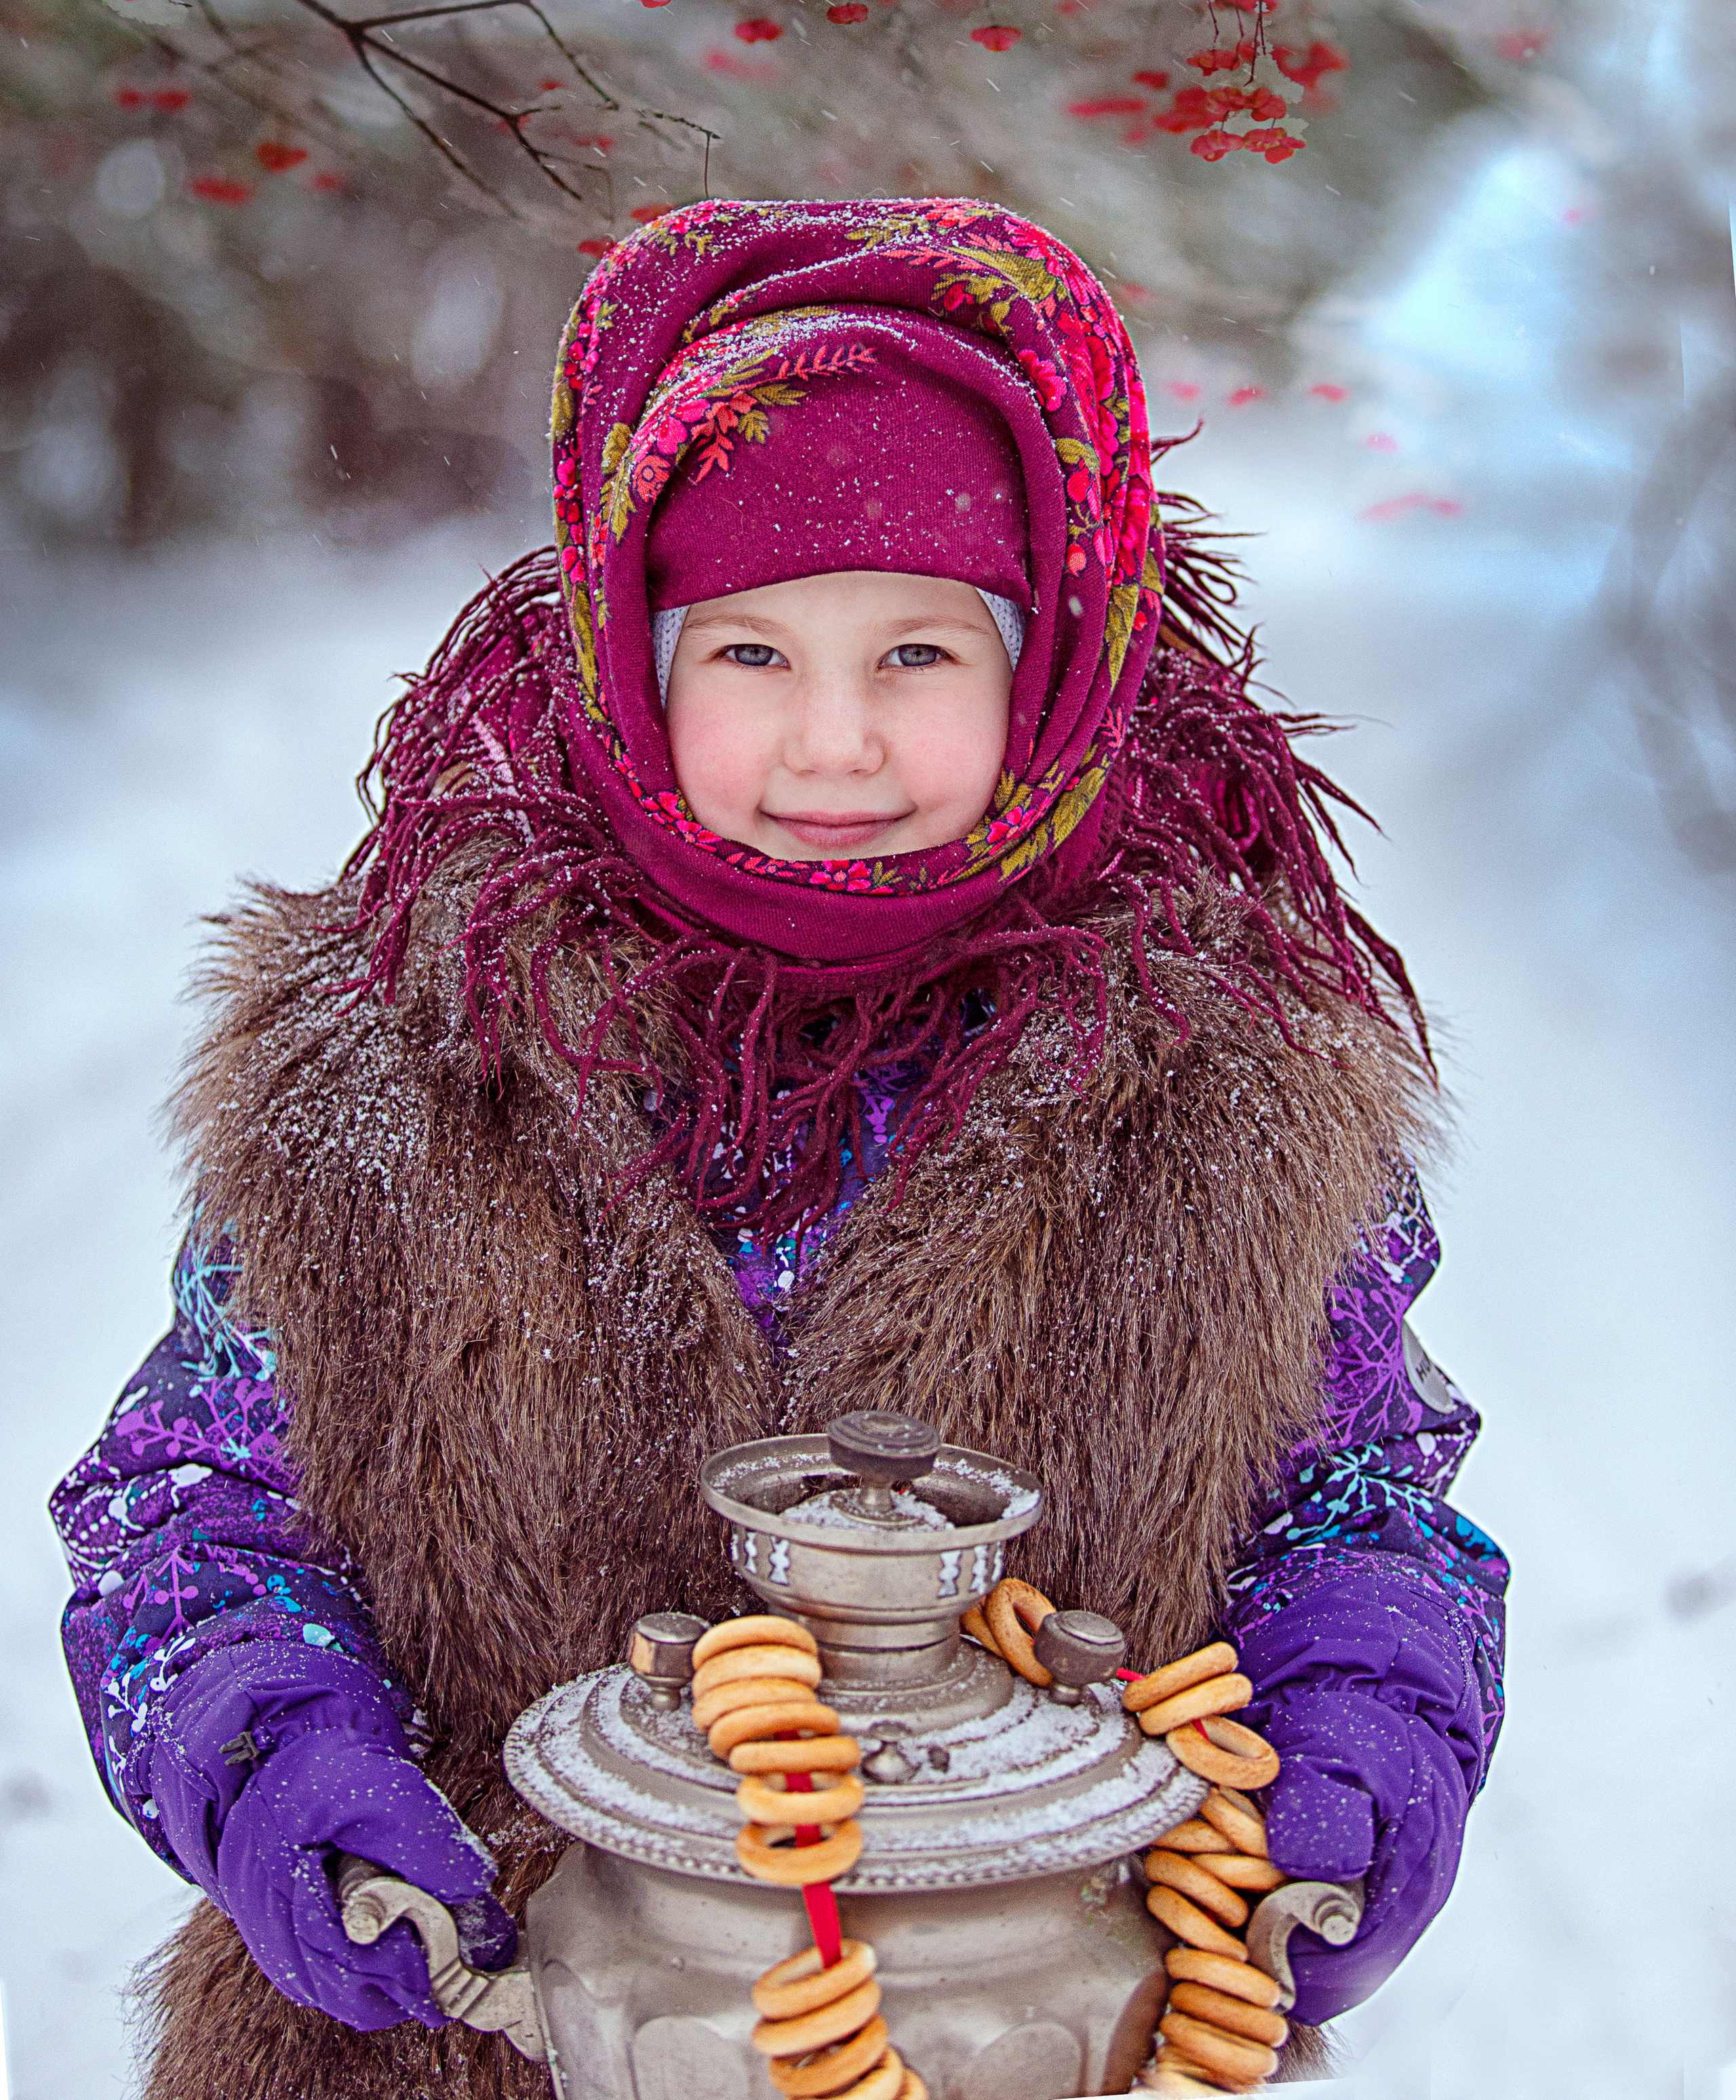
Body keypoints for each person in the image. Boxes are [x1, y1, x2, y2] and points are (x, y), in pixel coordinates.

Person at [53, 198, 1507, 2098]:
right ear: (629, 656)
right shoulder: (397, 1069)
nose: (835, 743)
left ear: (1050, 668)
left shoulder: (1222, 1098)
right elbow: (193, 1507)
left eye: (918, 652)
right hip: (461, 2034)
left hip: (1026, 2019)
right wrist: (276, 1757)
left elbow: (1364, 1502)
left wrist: (1362, 1740)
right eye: (748, 651)